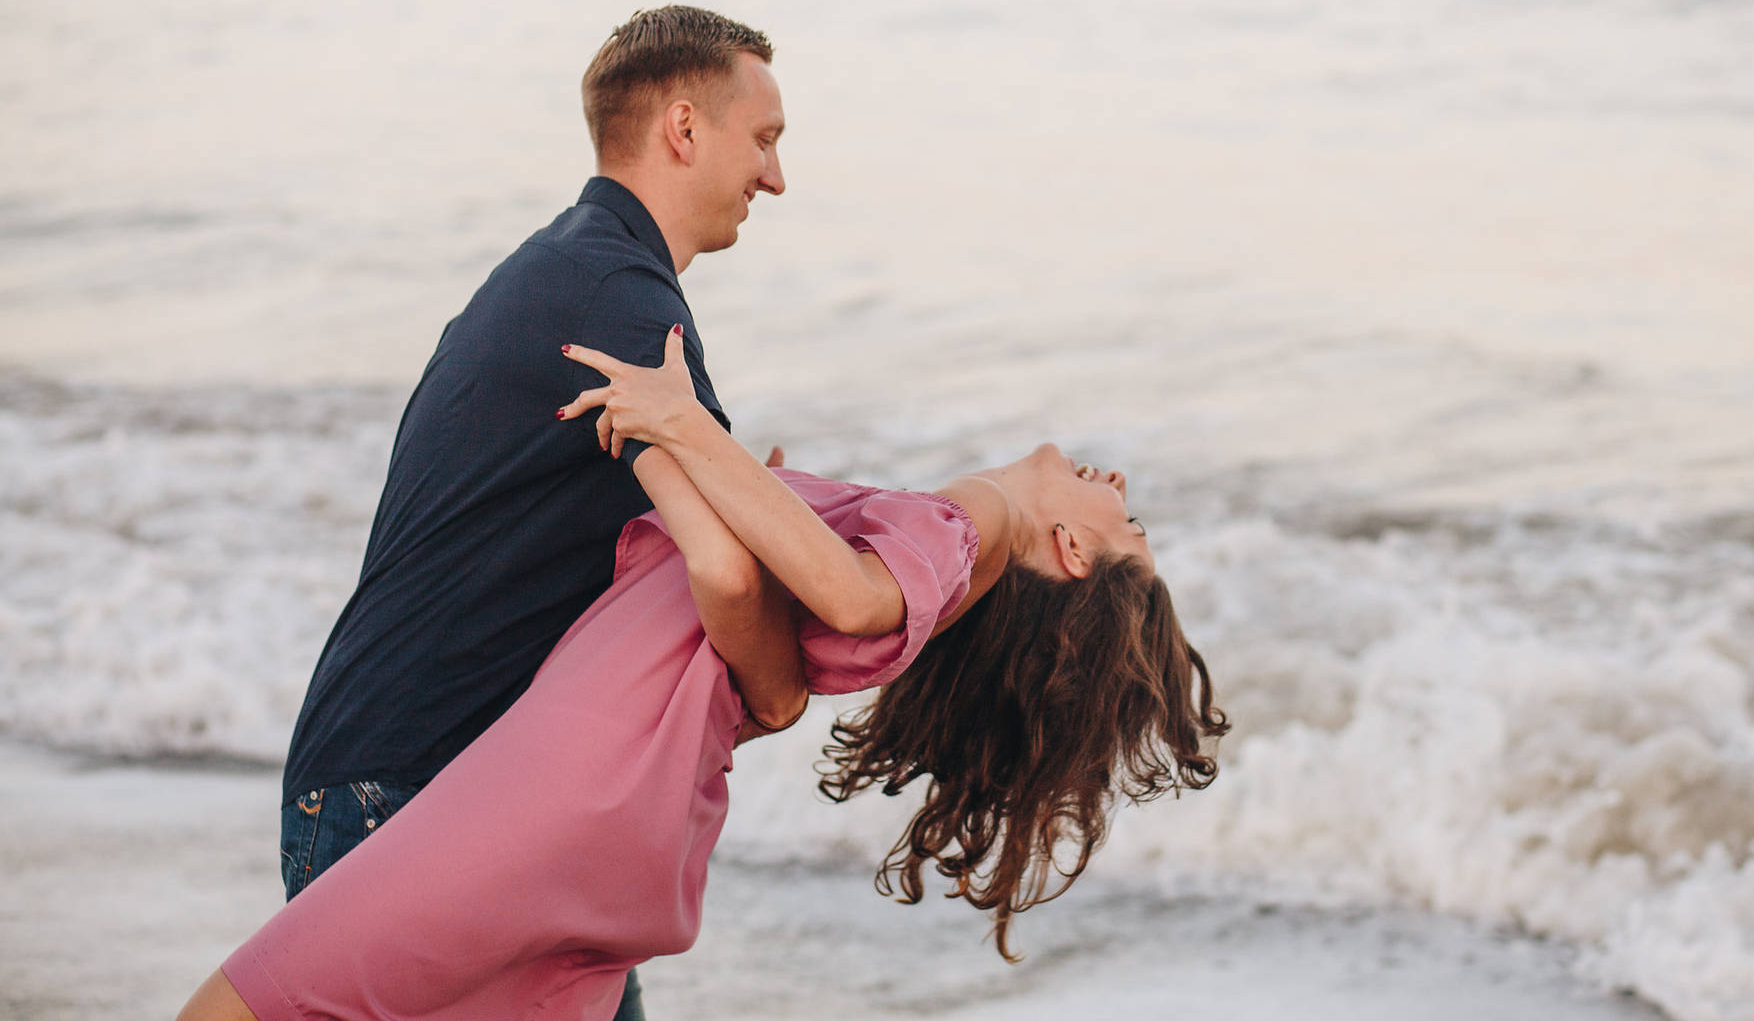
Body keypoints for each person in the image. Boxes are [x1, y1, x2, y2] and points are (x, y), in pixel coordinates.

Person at [176, 330, 1229, 1021]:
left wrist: (664, 433)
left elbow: (810, 591)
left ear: (1077, 554)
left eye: (1127, 522)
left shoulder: (964, 529)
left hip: (573, 777)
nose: (1120, 486)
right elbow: (767, 678)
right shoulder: (952, 554)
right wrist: (723, 485)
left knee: (239, 1008)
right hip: (633, 807)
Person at [277, 5, 785, 1019]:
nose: (775, 177)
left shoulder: (579, 268)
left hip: (451, 797)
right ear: (684, 128)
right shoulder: (617, 296)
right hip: (410, 801)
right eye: (764, 140)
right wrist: (782, 687)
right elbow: (732, 570)